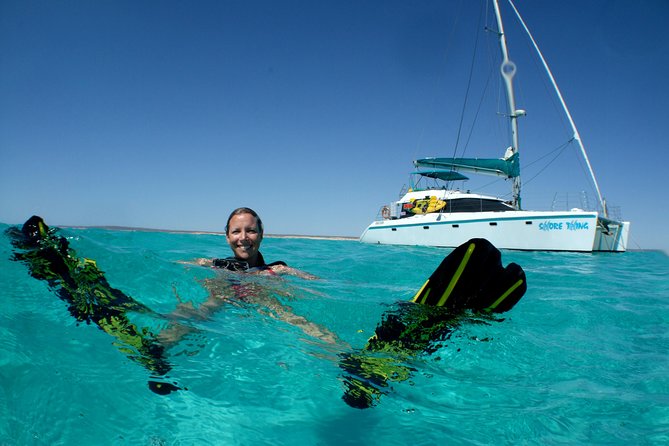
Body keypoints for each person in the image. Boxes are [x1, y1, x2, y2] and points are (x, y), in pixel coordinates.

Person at [172, 207, 338, 345]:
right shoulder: (219, 264)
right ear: (227, 237)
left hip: (261, 298)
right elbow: (180, 264)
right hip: (225, 292)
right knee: (198, 311)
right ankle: (156, 349)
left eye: (250, 231)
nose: (243, 238)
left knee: (296, 320)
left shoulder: (276, 269)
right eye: (236, 231)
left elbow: (316, 282)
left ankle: (346, 358)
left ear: (261, 234)